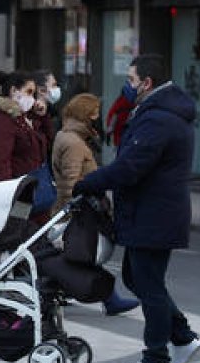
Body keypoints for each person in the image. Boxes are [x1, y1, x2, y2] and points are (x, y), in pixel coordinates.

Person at [73, 54, 200, 363]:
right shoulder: (159, 113)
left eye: (131, 80)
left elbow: (131, 166)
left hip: (153, 213)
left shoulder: (158, 119)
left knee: (149, 284)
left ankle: (155, 359)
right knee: (136, 278)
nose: (127, 86)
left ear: (146, 83)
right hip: (151, 212)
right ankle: (182, 337)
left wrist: (88, 182)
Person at [50, 93, 139, 316]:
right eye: (95, 112)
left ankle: (107, 299)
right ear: (87, 114)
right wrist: (73, 211)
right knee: (86, 254)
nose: (98, 116)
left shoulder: (67, 136)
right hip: (79, 209)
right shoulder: (74, 142)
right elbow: (71, 181)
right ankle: (110, 299)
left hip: (75, 208)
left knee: (80, 255)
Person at [0, 71, 45, 183]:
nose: (32, 99)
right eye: (29, 92)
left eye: (33, 94)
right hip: (13, 187)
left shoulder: (21, 119)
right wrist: (6, 190)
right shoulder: (2, 120)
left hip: (26, 185)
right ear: (14, 91)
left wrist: (40, 115)